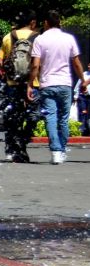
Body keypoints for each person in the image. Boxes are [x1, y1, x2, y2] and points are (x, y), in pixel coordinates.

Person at [28, 10, 88, 165]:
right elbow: (76, 62)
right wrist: (83, 80)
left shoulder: (40, 39)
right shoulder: (68, 39)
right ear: (59, 22)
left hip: (47, 84)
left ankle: (55, 151)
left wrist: (30, 84)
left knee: (50, 117)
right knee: (63, 119)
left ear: (46, 23)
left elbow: (35, 65)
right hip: (65, 85)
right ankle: (61, 150)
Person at [0, 11, 40, 163]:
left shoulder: (8, 37)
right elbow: (39, 63)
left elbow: (1, 62)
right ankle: (22, 142)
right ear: (32, 22)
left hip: (12, 83)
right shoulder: (38, 38)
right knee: (33, 116)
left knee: (12, 117)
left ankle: (12, 148)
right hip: (33, 84)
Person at [73, 61, 90, 136]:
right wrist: (75, 96)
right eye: (89, 65)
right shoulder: (84, 74)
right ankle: (82, 129)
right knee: (82, 113)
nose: (89, 67)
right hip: (83, 97)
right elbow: (78, 85)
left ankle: (88, 129)